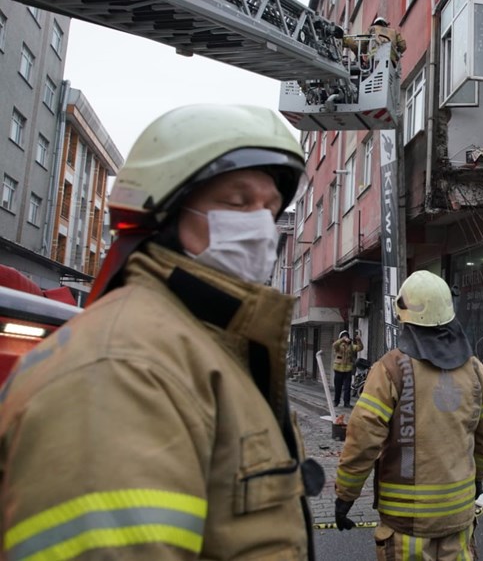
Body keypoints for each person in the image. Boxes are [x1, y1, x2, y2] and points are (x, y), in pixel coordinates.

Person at [0, 104, 325, 560]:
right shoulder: (122, 367)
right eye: (236, 202)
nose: (258, 226)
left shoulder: (212, 346)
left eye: (269, 209)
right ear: (165, 213)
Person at [334, 270, 483, 560]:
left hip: (406, 524)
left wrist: (345, 496)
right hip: (458, 515)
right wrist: (478, 476)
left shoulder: (390, 369)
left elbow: (363, 438)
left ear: (404, 313)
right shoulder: (474, 369)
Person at [332, 328, 362, 407]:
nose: (346, 337)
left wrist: (359, 340)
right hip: (338, 369)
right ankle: (336, 401)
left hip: (347, 370)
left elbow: (360, 348)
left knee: (347, 388)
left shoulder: (351, 346)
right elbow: (334, 345)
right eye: (344, 336)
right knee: (338, 387)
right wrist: (342, 340)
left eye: (347, 336)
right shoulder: (339, 346)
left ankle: (346, 403)